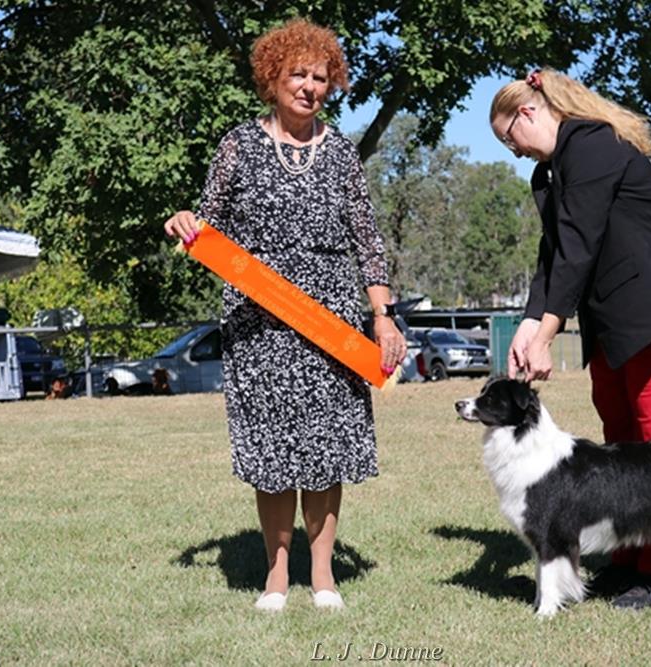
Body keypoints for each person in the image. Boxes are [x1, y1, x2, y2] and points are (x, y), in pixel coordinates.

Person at [163, 18, 406, 612]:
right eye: (297, 74)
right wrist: (185, 221)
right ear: (272, 79)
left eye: (320, 78)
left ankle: (322, 575)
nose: (309, 87)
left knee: (325, 449)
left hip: (330, 322)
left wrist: (382, 315)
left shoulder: (341, 152)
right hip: (258, 325)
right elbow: (207, 222)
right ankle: (276, 576)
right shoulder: (238, 145)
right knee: (271, 452)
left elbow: (367, 239)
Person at [490, 68, 651, 610]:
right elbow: (553, 254)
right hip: (616, 320)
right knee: (620, 441)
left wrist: (548, 333)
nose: (513, 151)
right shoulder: (549, 173)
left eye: (509, 138)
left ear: (528, 112)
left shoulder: (592, 143)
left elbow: (580, 245)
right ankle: (628, 558)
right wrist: (530, 321)